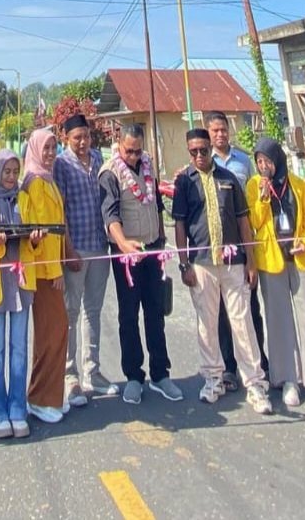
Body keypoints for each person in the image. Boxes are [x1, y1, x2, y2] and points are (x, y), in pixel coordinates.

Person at [173, 129, 271, 413]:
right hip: (201, 263)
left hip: (233, 262)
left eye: (204, 150)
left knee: (242, 321)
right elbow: (179, 225)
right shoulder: (184, 182)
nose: (200, 156)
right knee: (208, 323)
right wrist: (183, 263)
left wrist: (250, 260)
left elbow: (243, 220)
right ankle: (213, 378)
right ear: (189, 152)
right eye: (194, 152)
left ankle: (254, 382)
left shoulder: (228, 179)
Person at [99, 124, 180, 404]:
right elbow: (109, 215)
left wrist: (161, 236)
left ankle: (160, 374)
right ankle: (134, 376)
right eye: (128, 151)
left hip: (153, 250)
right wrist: (122, 243)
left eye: (137, 151)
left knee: (156, 312)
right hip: (127, 255)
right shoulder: (109, 173)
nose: (133, 157)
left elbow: (156, 202)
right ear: (118, 145)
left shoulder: (148, 165)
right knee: (129, 314)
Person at [247, 138, 305, 410]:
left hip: (301, 256)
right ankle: (288, 379)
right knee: (278, 320)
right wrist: (262, 197)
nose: (263, 166)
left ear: (277, 159)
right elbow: (255, 222)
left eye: (267, 160)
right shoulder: (253, 186)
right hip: (272, 260)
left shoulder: (299, 185)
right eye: (259, 162)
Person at [53, 114, 116, 405]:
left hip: (99, 247)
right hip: (76, 248)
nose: (82, 142)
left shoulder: (97, 158)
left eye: (86, 136)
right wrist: (68, 250)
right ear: (66, 138)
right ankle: (70, 376)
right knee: (70, 313)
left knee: (94, 310)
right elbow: (60, 210)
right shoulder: (61, 165)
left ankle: (93, 372)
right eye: (76, 137)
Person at [0, 150, 38, 439]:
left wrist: (35, 238)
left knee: (19, 349)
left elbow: (34, 232)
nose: (12, 177)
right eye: (7, 171)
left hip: (21, 281)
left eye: (16, 171)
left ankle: (17, 408)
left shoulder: (25, 199)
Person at [205, 111, 268, 391]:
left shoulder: (244, 161)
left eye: (223, 129)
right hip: (218, 246)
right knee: (222, 311)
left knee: (249, 307)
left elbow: (254, 196)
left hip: (244, 240)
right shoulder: (204, 164)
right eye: (214, 130)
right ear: (208, 133)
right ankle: (229, 367)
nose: (220, 134)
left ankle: (258, 363)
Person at [22, 128, 72, 424]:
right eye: (47, 148)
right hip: (43, 272)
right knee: (51, 334)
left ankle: (51, 395)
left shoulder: (46, 178)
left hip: (53, 268)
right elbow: (39, 232)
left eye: (55, 146)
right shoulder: (35, 183)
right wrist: (55, 271)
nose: (51, 153)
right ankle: (40, 398)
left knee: (55, 332)